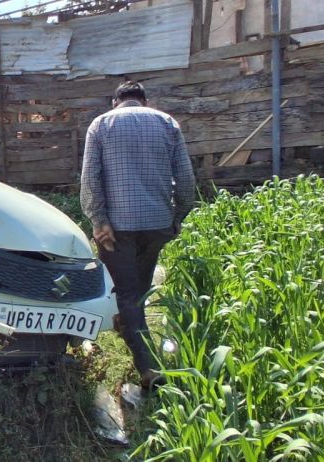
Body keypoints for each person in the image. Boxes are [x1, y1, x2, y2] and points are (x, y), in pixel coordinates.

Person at [80, 81, 196, 391]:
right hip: (157, 222)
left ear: (115, 100)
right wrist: (178, 217)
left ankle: (147, 366)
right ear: (145, 100)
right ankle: (128, 327)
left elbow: (91, 177)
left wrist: (98, 219)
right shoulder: (167, 123)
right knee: (140, 289)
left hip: (117, 227)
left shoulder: (101, 124)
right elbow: (185, 179)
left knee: (127, 293)